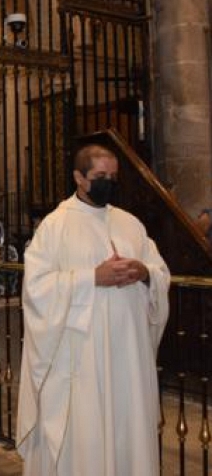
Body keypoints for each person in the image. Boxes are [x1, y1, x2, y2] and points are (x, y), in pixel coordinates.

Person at [16, 144, 170, 476]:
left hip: (129, 359)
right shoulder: (55, 226)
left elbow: (160, 272)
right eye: (100, 176)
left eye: (113, 177)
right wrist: (92, 278)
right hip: (82, 363)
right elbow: (36, 287)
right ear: (79, 178)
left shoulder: (130, 224)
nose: (109, 183)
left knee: (128, 435)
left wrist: (144, 273)